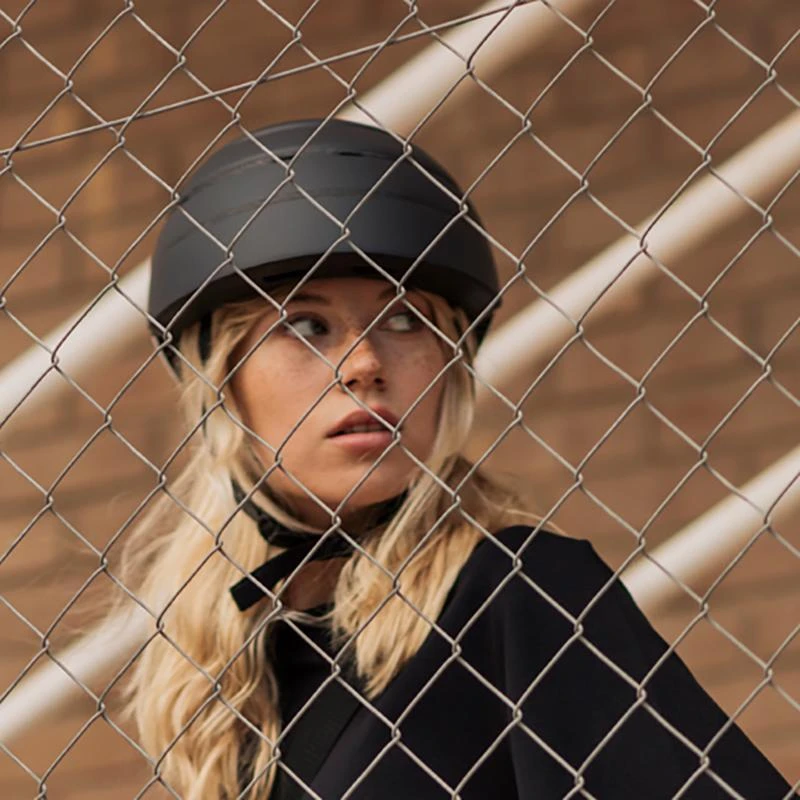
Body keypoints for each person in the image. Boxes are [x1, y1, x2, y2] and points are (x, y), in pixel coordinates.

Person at [118, 119, 796, 799]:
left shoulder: (523, 591)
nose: (364, 364)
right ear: (221, 377)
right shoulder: (228, 666)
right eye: (306, 325)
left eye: (406, 319)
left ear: (449, 364)